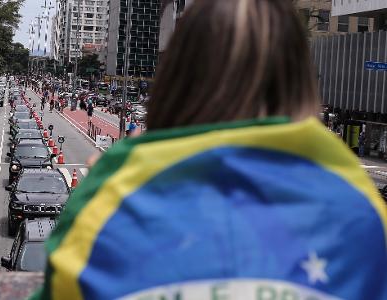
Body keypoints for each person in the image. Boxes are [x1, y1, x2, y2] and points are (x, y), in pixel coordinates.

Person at [32, 1, 387, 299]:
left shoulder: (111, 197)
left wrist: (113, 178)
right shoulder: (362, 207)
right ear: (303, 81)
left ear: (176, 75)